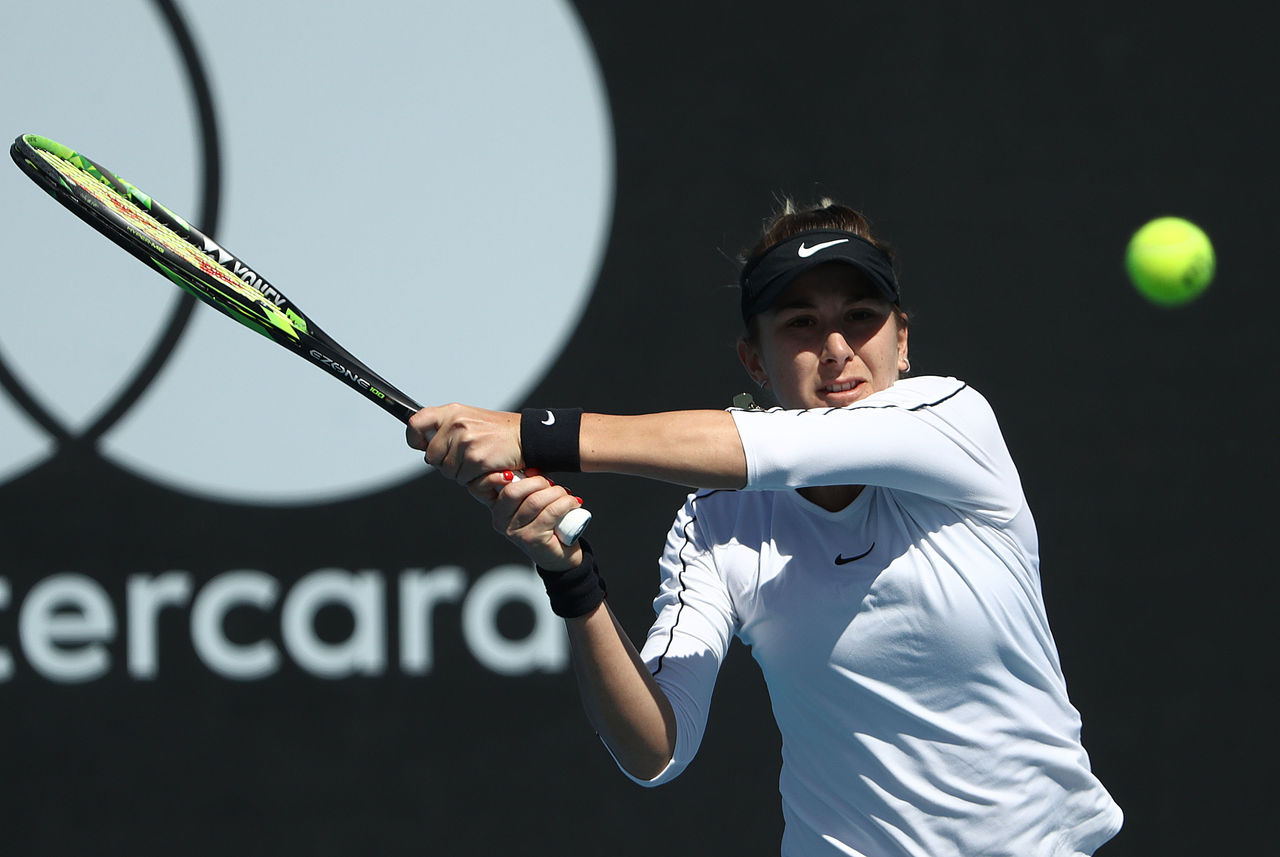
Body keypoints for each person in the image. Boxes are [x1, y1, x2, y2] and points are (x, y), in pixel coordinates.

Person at [406, 200, 1123, 856]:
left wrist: (527, 432)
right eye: (801, 323)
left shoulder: (954, 421)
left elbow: (774, 448)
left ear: (903, 341)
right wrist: (571, 579)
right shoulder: (717, 523)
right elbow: (658, 749)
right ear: (755, 359)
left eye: (861, 316)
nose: (837, 347)